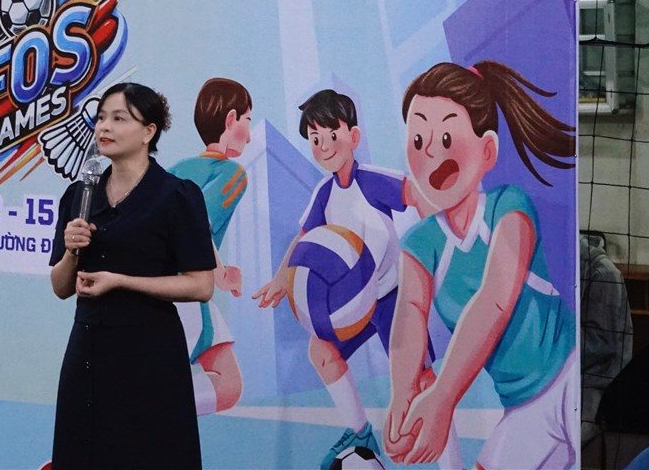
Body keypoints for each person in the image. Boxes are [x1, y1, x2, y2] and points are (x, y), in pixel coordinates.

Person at [386, 61, 577, 469]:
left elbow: (495, 301)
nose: (430, 151)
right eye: (418, 138)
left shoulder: (508, 206)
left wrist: (442, 398)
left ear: (487, 150)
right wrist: (403, 396)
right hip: (523, 405)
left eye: (446, 136)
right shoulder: (419, 243)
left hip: (572, 376)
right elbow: (409, 315)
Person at [252, 89, 456, 469]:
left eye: (332, 134)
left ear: (354, 136)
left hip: (393, 296)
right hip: (353, 303)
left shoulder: (372, 181)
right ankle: (361, 432)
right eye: (315, 139)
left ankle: (453, 465)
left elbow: (416, 195)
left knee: (421, 381)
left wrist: (439, 241)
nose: (324, 146)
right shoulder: (324, 193)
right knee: (321, 351)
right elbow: (304, 238)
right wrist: (281, 279)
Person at [49, 82, 216, 470]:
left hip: (150, 353)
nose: (104, 127)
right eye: (101, 117)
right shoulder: (80, 194)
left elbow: (202, 284)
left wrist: (122, 281)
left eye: (119, 118)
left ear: (148, 132)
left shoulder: (176, 196)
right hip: (88, 350)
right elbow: (60, 287)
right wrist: (72, 251)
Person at [169, 78, 252, 415]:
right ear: (231, 120)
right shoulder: (232, 173)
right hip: (186, 288)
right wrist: (223, 276)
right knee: (223, 385)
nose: (249, 133)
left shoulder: (178, 168)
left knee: (227, 382)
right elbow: (197, 224)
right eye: (247, 120)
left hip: (169, 283)